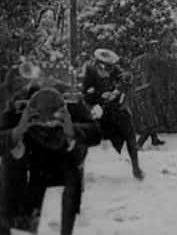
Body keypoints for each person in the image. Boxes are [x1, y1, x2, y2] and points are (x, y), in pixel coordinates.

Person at [0, 83, 102, 235]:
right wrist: (18, 130)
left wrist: (72, 130)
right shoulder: (18, 105)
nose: (47, 124)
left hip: (65, 156)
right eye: (41, 120)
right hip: (32, 158)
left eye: (52, 119)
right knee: (10, 158)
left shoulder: (73, 103)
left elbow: (96, 133)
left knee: (73, 174)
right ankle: (15, 218)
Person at [81, 48, 144, 180]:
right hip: (100, 111)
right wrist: (99, 96)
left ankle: (136, 168)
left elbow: (124, 80)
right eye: (104, 64)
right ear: (98, 62)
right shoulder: (90, 71)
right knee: (84, 136)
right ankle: (78, 170)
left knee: (130, 134)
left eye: (110, 65)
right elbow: (85, 92)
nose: (108, 68)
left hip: (116, 109)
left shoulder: (114, 69)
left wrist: (116, 91)